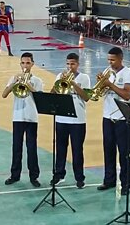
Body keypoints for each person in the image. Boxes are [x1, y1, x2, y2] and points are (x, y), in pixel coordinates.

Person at [98, 47, 130, 195]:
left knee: (125, 152)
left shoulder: (128, 74)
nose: (110, 62)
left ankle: (126, 183)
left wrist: (110, 85)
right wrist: (101, 85)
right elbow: (102, 92)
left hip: (122, 119)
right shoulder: (109, 72)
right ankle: (109, 180)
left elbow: (126, 95)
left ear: (121, 59)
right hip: (107, 117)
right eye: (108, 59)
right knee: (108, 151)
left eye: (113, 60)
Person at [2, 52, 43, 187]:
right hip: (18, 117)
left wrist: (29, 85)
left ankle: (34, 176)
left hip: (31, 118)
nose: (25, 65)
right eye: (23, 63)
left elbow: (40, 99)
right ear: (20, 64)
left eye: (28, 63)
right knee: (16, 147)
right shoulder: (14, 78)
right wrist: (14, 82)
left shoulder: (37, 81)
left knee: (32, 148)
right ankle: (15, 175)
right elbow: (4, 94)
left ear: (32, 64)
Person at [50, 53, 90, 189]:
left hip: (78, 120)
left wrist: (73, 83)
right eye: (67, 64)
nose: (69, 67)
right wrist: (58, 83)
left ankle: (79, 177)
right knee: (60, 149)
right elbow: (52, 95)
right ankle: (59, 174)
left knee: (77, 150)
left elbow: (86, 97)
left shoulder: (84, 78)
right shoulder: (60, 76)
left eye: (72, 64)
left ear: (78, 64)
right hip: (61, 118)